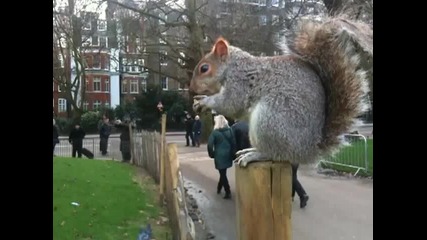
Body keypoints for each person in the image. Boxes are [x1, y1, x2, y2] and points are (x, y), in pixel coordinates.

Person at [207, 115, 236, 199]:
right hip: (228, 154)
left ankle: (228, 191)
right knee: (223, 172)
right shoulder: (230, 130)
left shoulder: (215, 132)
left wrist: (211, 154)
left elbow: (210, 145)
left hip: (219, 155)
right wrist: (233, 153)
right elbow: (233, 142)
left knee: (222, 173)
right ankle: (219, 187)